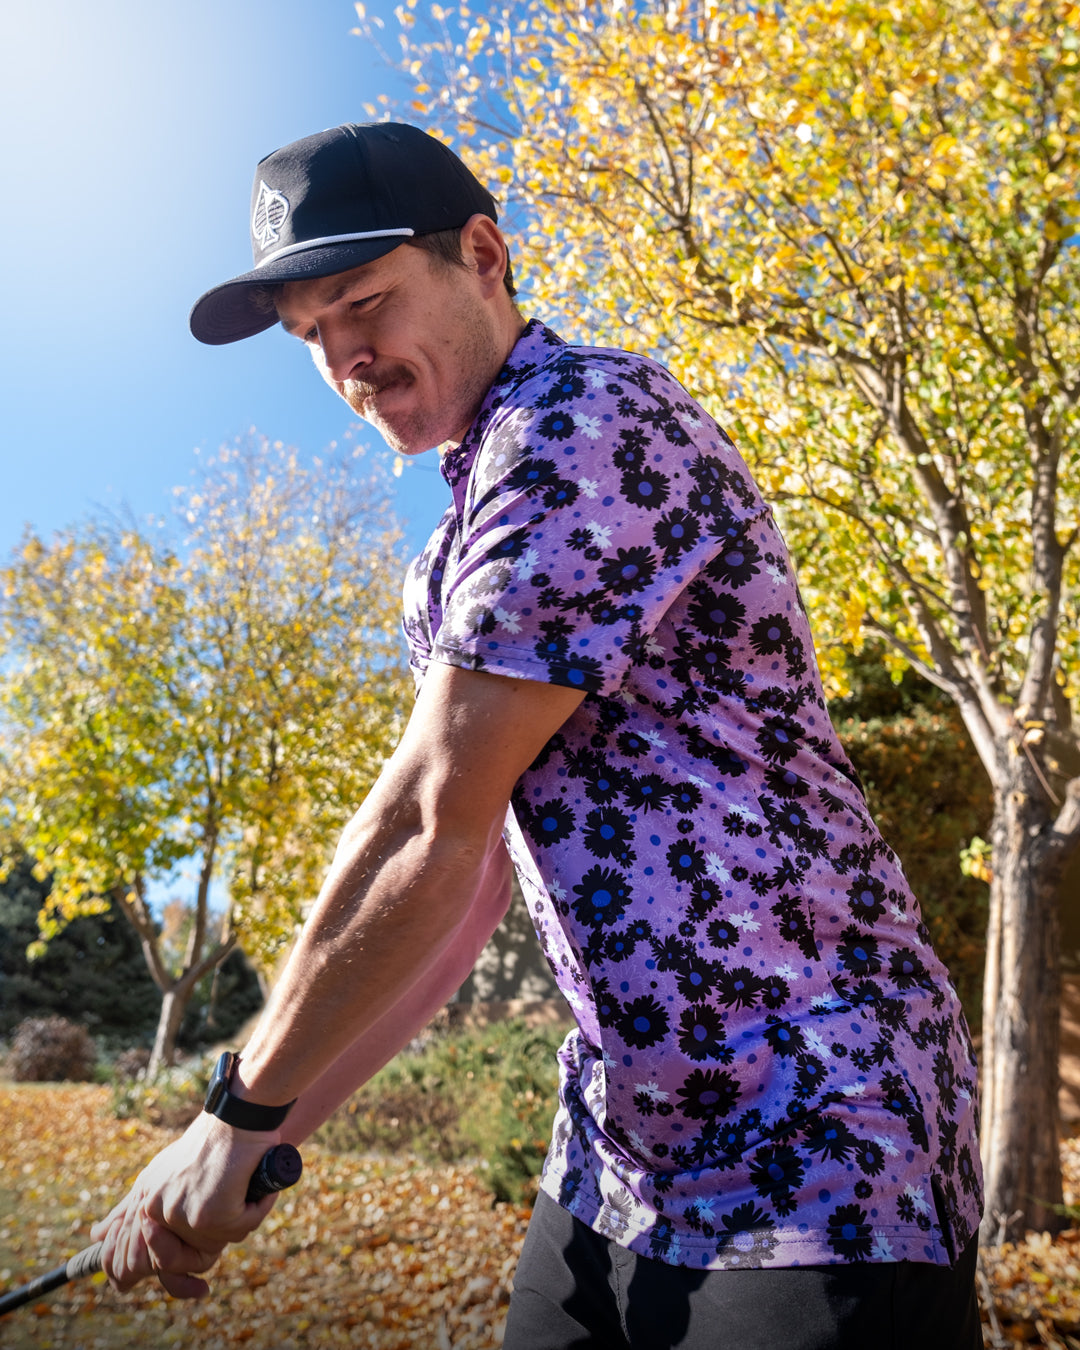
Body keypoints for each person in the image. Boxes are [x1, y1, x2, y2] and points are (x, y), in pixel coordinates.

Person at [91, 122, 985, 1348]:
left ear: (483, 254)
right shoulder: (447, 558)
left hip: (821, 1140)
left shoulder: (583, 425)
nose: (349, 354)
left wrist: (234, 1112)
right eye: (313, 336)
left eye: (366, 301)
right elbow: (457, 901)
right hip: (622, 1162)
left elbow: (425, 817)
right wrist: (263, 1138)